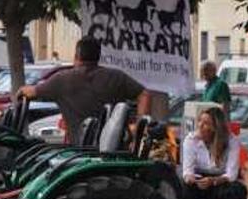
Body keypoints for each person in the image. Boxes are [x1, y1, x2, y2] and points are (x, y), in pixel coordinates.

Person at [19, 37, 151, 145]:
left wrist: (21, 91)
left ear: (77, 56)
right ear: (98, 57)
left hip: (80, 153)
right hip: (114, 151)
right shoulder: (116, 77)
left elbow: (31, 92)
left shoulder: (62, 80)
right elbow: (144, 94)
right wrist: (138, 131)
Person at [182, 106, 246, 199]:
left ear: (215, 128)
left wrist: (213, 180)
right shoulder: (191, 140)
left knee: (237, 190)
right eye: (199, 121)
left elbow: (231, 175)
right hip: (199, 180)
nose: (200, 126)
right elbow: (187, 171)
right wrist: (191, 179)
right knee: (182, 189)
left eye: (206, 123)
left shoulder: (232, 141)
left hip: (221, 180)